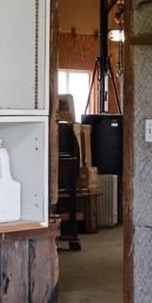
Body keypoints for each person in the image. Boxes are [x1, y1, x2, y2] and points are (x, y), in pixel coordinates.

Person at [54, 94, 85, 251]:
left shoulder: (66, 130)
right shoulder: (65, 129)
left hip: (66, 169)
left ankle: (69, 233)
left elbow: (76, 154)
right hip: (64, 168)